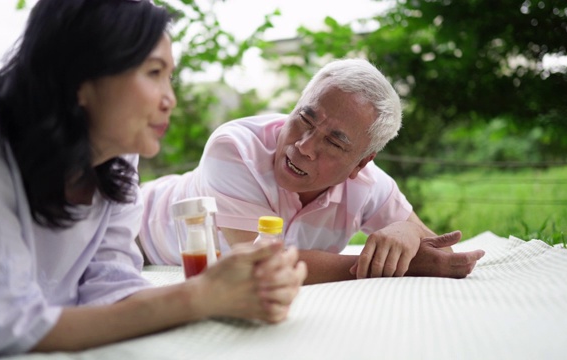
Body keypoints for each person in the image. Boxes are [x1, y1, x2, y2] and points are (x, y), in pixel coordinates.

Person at [0, 0, 306, 357]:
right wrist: (201, 296)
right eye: (153, 73)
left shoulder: (115, 155)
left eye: (169, 77)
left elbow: (111, 285)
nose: (169, 99)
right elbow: (1, 326)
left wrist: (238, 289)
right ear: (81, 76)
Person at [138, 58, 486, 285]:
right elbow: (261, 266)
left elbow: (442, 255)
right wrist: (402, 265)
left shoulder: (370, 184)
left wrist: (407, 233)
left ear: (362, 162)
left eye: (334, 142)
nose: (304, 146)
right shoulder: (234, 149)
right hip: (136, 228)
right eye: (305, 118)